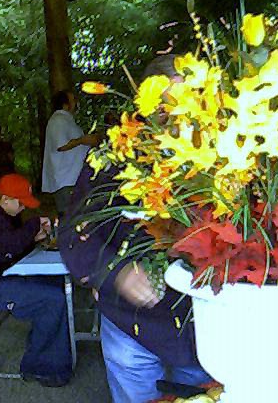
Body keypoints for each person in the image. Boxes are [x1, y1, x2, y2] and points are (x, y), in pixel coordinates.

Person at [58, 55, 210, 403]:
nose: (178, 117)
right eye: (165, 108)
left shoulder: (223, 152)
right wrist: (113, 273)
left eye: (189, 103)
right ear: (145, 105)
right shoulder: (114, 155)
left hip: (204, 322)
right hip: (132, 324)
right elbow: (73, 231)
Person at [0, 173, 72, 387]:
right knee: (53, 299)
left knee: (54, 284)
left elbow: (8, 250)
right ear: (5, 199)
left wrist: (32, 238)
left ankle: (44, 348)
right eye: (21, 203)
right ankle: (40, 367)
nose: (23, 208)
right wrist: (33, 226)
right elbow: (10, 245)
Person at [42, 90, 101, 220]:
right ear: (65, 104)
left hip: (73, 178)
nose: (76, 103)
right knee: (70, 217)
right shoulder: (58, 120)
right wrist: (83, 140)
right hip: (66, 180)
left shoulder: (67, 120)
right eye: (73, 100)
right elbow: (61, 145)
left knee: (77, 216)